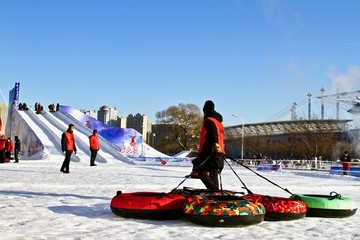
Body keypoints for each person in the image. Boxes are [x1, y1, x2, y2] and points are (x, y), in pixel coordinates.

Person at [192, 100, 225, 190]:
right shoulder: (219, 122)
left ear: (205, 111)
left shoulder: (209, 120)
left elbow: (212, 134)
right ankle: (215, 192)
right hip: (219, 151)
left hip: (211, 150)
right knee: (213, 172)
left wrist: (215, 145)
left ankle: (214, 190)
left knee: (200, 169)